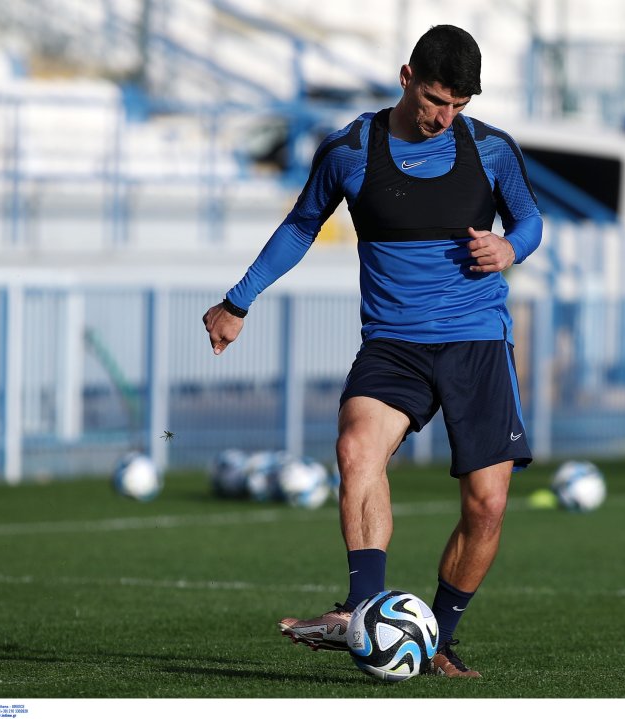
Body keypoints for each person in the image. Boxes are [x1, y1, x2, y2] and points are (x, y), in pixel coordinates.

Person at [203, 24, 542, 679]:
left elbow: (529, 221)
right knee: (356, 448)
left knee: (488, 505)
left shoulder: (491, 149)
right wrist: (237, 302)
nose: (445, 117)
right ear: (406, 76)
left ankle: (437, 639)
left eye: (459, 105)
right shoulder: (350, 150)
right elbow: (302, 225)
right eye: (436, 100)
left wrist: (510, 247)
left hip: (476, 338)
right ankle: (362, 611)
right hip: (393, 343)